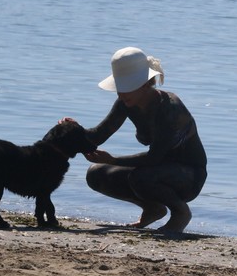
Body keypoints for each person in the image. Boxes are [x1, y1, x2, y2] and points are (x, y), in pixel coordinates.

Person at [65, 47, 207, 233]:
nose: (121, 93)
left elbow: (154, 158)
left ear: (146, 83)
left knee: (141, 177)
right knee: (96, 174)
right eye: (120, 88)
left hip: (189, 176)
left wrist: (113, 160)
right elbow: (98, 136)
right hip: (156, 169)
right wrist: (73, 130)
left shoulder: (170, 108)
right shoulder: (126, 103)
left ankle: (180, 212)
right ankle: (153, 208)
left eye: (127, 87)